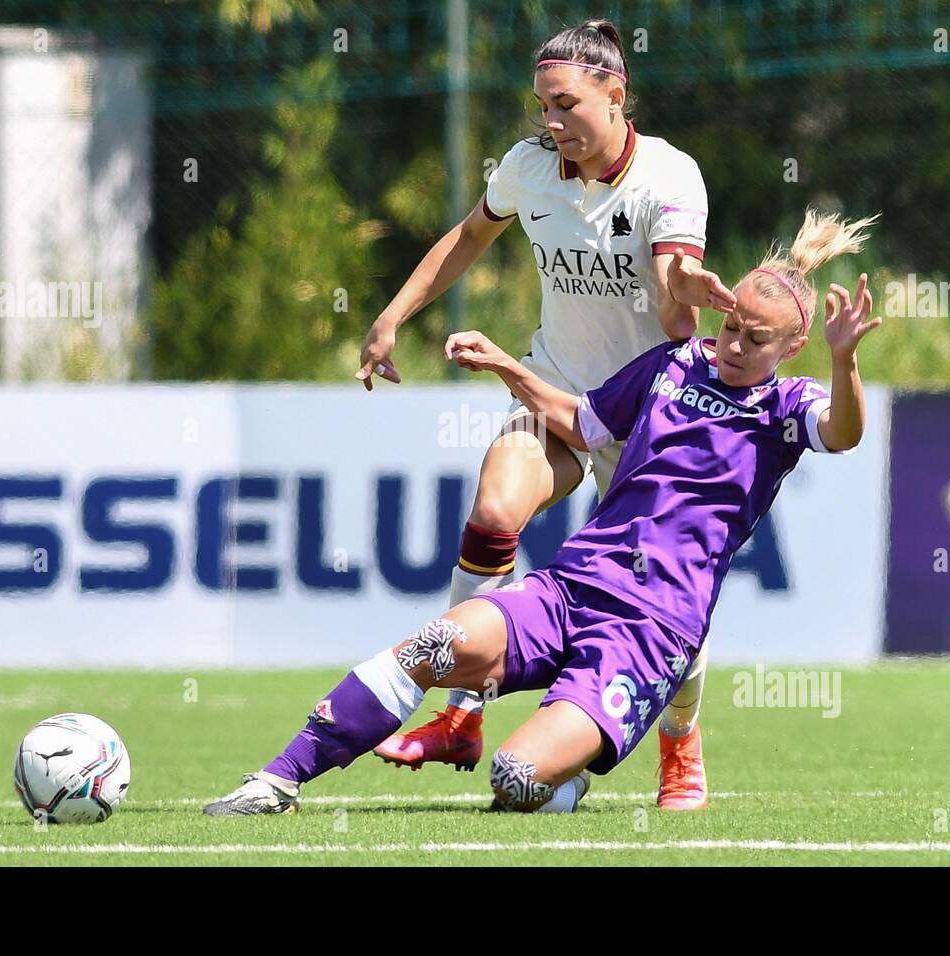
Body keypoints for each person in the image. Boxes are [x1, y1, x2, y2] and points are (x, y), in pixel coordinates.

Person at [203, 209, 881, 815]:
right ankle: (275, 782)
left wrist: (844, 360)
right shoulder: (672, 363)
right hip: (572, 585)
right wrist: (505, 363)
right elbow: (582, 424)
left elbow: (843, 432)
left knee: (515, 777)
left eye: (755, 339)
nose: (733, 344)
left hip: (651, 631)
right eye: (731, 324)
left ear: (791, 348)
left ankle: (571, 767)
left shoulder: (785, 408)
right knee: (430, 646)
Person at [357, 18, 733, 810]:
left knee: (662, 603)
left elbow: (674, 314)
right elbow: (467, 236)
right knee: (495, 512)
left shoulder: (670, 175)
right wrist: (393, 315)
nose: (551, 122)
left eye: (565, 105)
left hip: (647, 420)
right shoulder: (530, 169)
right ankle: (461, 713)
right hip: (554, 391)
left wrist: (685, 291)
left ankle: (680, 743)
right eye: (542, 107)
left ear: (615, 93)